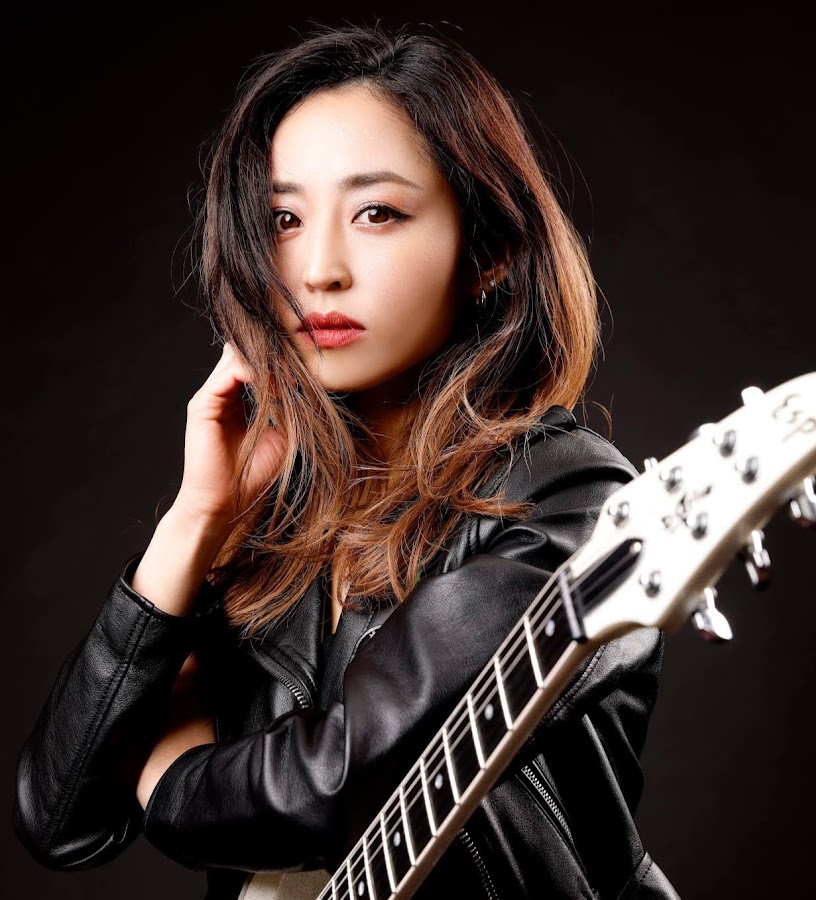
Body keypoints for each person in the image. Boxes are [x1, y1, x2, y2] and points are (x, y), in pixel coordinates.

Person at [14, 21, 680, 900]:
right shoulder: (273, 516)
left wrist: (172, 786)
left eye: (377, 213)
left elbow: (343, 785)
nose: (319, 270)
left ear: (489, 251)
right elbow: (62, 818)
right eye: (284, 220)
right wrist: (195, 521)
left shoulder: (569, 498)